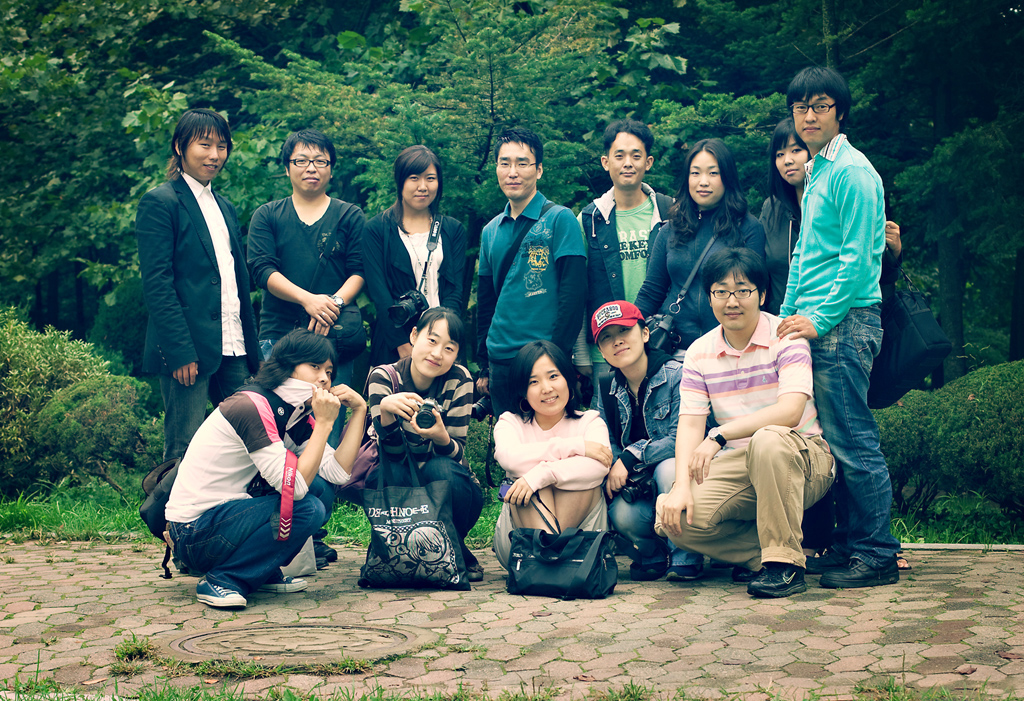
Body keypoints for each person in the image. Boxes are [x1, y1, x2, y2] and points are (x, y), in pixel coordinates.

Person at [776, 66, 902, 588]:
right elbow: (805, 255)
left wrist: (818, 319)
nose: (809, 115)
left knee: (854, 441)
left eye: (821, 105)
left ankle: (877, 554)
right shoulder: (819, 171)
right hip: (817, 323)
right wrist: (785, 314)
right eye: (801, 107)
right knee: (835, 441)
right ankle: (850, 544)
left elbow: (858, 260)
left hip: (846, 323)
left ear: (840, 112)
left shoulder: (853, 172)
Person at [655, 248, 834, 598]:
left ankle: (785, 567)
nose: (732, 301)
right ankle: (766, 554)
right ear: (709, 298)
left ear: (762, 295)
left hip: (804, 458)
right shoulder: (699, 352)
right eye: (721, 291)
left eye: (742, 290)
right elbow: (690, 425)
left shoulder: (786, 336)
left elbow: (790, 411)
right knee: (673, 519)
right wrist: (680, 486)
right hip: (742, 463)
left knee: (768, 439)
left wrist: (719, 435)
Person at [165, 329, 367, 608]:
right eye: (315, 366)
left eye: (329, 371)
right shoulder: (251, 406)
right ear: (287, 366)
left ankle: (260, 571)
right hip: (194, 532)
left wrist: (360, 411)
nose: (324, 378)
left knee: (319, 490)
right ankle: (224, 579)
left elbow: (337, 473)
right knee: (308, 507)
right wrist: (324, 424)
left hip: (226, 518)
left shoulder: (295, 414)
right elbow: (295, 489)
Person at [137, 108, 260, 462]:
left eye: (221, 146)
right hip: (188, 350)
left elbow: (235, 282)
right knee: (184, 449)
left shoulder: (225, 206)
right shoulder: (160, 202)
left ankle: (228, 503)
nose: (214, 155)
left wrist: (251, 348)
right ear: (180, 147)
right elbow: (158, 284)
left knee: (247, 444)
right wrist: (179, 352)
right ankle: (169, 502)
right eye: (204, 145)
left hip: (233, 345)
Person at [247, 128, 365, 453]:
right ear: (287, 168)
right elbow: (262, 270)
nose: (311, 167)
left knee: (328, 427)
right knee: (273, 427)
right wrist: (308, 300)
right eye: (301, 160)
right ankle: (279, 480)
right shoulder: (267, 215)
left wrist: (333, 304)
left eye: (320, 161)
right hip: (279, 335)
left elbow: (359, 271)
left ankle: (325, 481)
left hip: (332, 339)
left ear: (331, 168)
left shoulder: (349, 215)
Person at [365, 307, 484, 581]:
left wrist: (441, 437)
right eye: (432, 340)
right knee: (387, 475)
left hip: (453, 487)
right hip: (401, 483)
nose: (437, 353)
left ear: (456, 354)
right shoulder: (384, 378)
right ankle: (422, 551)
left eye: (449, 348)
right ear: (414, 336)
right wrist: (387, 413)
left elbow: (458, 454)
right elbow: (392, 456)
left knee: (441, 469)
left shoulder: (460, 379)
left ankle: (449, 549)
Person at [476, 127, 587, 417]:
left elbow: (573, 296)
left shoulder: (560, 219)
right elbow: (486, 303)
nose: (512, 172)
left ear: (538, 170)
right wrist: (484, 364)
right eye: (505, 163)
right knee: (509, 441)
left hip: (543, 362)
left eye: (522, 163)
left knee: (553, 439)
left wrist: (556, 357)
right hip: (500, 359)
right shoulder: (490, 231)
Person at [591, 301, 704, 581]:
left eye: (624, 331)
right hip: (638, 481)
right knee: (622, 512)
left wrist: (631, 456)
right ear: (601, 351)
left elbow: (682, 437)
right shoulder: (606, 387)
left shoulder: (677, 374)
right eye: (607, 337)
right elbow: (604, 438)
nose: (617, 341)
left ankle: (685, 554)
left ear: (644, 334)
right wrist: (616, 465)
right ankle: (653, 554)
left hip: (678, 472)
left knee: (668, 469)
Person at [635, 138, 766, 358]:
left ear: (727, 177)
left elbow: (756, 294)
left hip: (730, 351)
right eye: (695, 173)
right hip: (674, 350)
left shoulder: (748, 228)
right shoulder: (670, 229)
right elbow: (651, 291)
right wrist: (627, 330)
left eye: (713, 173)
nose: (703, 182)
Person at [492, 341, 613, 569]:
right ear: (522, 390)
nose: (546, 388)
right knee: (526, 485)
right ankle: (555, 566)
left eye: (553, 376)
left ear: (568, 379)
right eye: (533, 382)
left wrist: (543, 473)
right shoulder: (510, 423)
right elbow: (509, 458)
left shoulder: (590, 422)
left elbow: (599, 467)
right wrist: (575, 447)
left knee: (573, 482)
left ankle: (546, 565)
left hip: (581, 535)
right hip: (520, 540)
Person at [574, 119, 674, 377]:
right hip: (607, 351)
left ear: (648, 162)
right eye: (619, 156)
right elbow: (578, 290)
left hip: (661, 345)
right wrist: (581, 353)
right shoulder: (589, 220)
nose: (628, 163)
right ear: (605, 162)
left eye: (636, 156)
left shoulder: (670, 213)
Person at [363, 145, 467, 366]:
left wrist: (446, 342)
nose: (423, 186)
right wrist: (404, 346)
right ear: (400, 181)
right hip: (395, 345)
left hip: (443, 346)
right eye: (414, 178)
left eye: (430, 178)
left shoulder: (453, 229)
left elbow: (455, 292)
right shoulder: (377, 229)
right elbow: (380, 295)